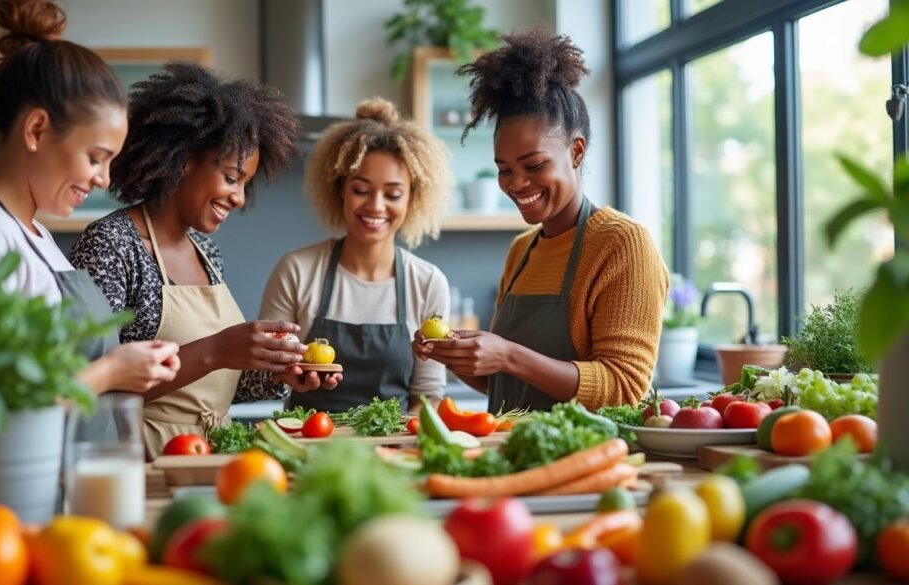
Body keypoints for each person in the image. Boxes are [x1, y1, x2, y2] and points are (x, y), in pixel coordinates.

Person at [0, 0, 180, 398]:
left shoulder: (33, 232)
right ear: (37, 130)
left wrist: (124, 365)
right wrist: (111, 373)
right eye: (95, 157)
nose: (104, 179)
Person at [414, 30, 669, 413]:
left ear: (576, 152)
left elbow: (624, 387)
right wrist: (453, 355)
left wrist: (508, 355)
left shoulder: (622, 244)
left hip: (586, 447)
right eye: (504, 170)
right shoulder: (522, 250)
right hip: (510, 442)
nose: (516, 184)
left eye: (533, 165)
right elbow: (506, 382)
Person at [69, 62, 308, 457]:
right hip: (145, 460)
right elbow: (95, 387)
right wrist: (216, 349)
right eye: (231, 178)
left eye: (245, 184)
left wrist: (275, 375)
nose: (239, 198)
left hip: (211, 455)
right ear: (183, 160)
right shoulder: (111, 246)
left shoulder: (206, 252)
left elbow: (209, 386)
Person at [259, 98, 454, 413]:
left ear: (412, 199)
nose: (376, 206)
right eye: (361, 190)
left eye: (393, 194)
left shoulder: (428, 282)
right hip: (309, 439)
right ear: (341, 190)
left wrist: (406, 438)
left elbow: (428, 394)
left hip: (395, 441)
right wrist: (285, 375)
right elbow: (264, 373)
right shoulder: (296, 270)